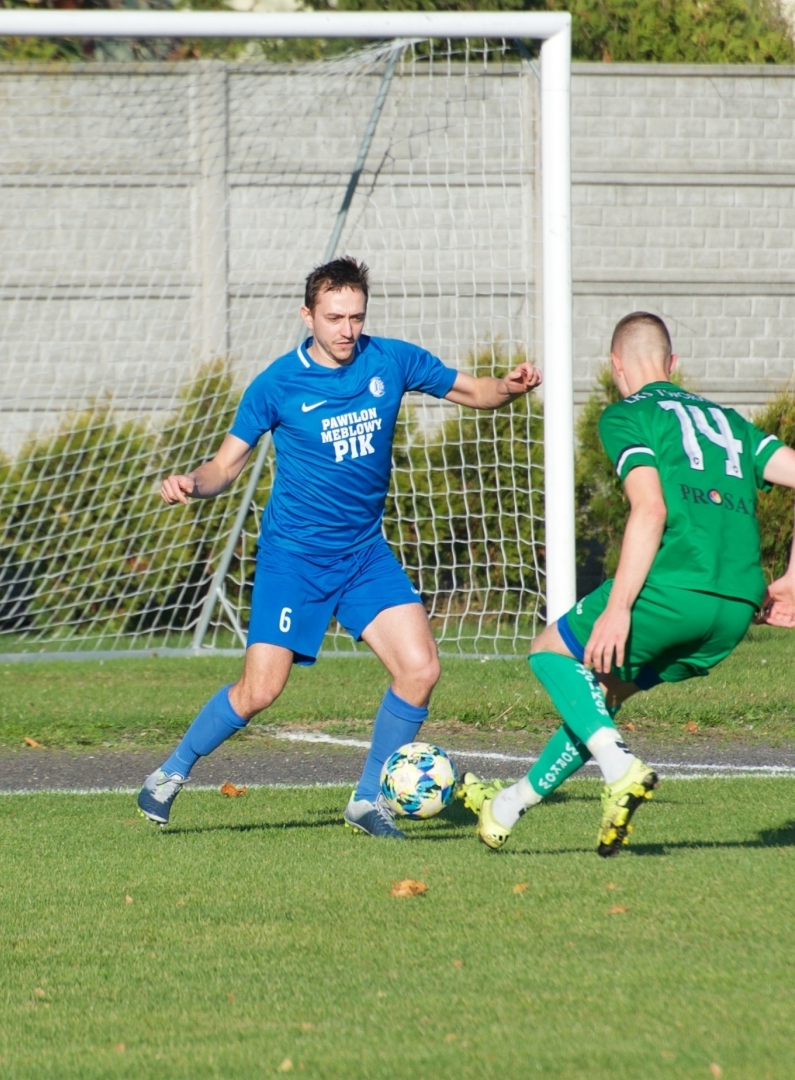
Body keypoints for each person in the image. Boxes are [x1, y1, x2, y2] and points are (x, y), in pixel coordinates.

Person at [137, 257, 541, 837]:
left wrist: (509, 386)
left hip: (362, 554)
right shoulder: (277, 384)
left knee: (421, 669)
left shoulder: (391, 359)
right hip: (293, 560)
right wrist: (190, 485)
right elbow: (224, 466)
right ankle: (170, 774)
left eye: (355, 316)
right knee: (260, 691)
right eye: (333, 317)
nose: (347, 330)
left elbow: (473, 390)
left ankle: (365, 800)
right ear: (308, 316)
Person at [458, 312, 795, 857]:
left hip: (673, 585)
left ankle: (620, 768)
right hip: (735, 611)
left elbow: (649, 508)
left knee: (549, 654)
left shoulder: (627, 416)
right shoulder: (728, 421)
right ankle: (507, 805)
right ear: (672, 364)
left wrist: (620, 608)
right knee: (599, 698)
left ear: (615, 365)